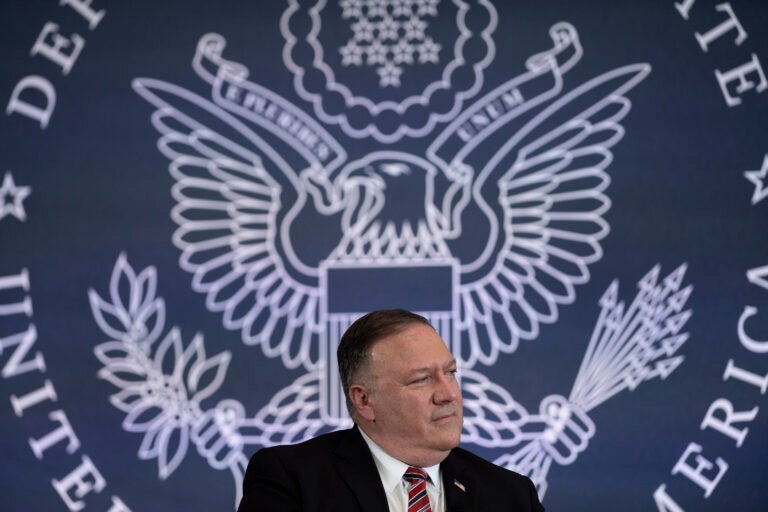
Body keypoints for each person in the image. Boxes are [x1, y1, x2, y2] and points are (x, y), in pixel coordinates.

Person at [237, 308, 545, 511]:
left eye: (450, 373)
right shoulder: (292, 479)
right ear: (364, 400)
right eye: (422, 379)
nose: (448, 393)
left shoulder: (512, 496)